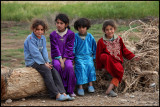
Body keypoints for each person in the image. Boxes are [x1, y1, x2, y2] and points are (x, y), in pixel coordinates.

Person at [24, 19, 74, 101]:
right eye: (37, 29)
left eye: (41, 30)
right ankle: (56, 94)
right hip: (32, 61)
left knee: (53, 69)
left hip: (42, 61)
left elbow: (44, 51)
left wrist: (47, 61)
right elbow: (35, 53)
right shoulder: (30, 39)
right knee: (47, 70)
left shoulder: (42, 38)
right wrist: (44, 63)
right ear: (33, 29)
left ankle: (63, 92)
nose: (39, 32)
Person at [96, 20, 140, 97]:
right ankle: (108, 71)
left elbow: (124, 50)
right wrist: (100, 67)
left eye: (111, 29)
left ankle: (109, 89)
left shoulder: (119, 39)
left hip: (116, 60)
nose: (109, 31)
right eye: (107, 29)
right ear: (104, 31)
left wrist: (133, 56)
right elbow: (98, 54)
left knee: (120, 71)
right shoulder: (101, 41)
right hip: (107, 60)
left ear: (114, 29)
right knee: (104, 56)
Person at [50, 13, 76, 97]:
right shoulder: (53, 34)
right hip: (56, 57)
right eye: (57, 23)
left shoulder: (71, 34)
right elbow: (55, 48)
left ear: (66, 24)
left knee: (69, 67)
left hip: (67, 57)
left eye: (61, 23)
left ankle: (70, 90)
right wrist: (60, 61)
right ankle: (60, 90)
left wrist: (64, 60)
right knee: (57, 66)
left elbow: (69, 48)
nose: (59, 25)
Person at [73, 18, 97, 96]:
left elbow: (94, 47)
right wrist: (72, 57)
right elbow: (72, 48)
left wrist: (94, 56)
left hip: (88, 56)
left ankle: (90, 85)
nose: (81, 29)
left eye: (83, 27)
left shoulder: (90, 36)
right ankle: (80, 87)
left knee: (90, 66)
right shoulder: (75, 37)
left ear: (87, 27)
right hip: (78, 57)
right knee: (80, 67)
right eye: (79, 27)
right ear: (77, 28)